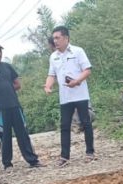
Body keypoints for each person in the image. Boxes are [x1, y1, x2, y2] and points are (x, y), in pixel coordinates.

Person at [0, 42, 43, 170]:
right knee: (5, 136)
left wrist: (8, 90)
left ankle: (32, 160)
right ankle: (7, 163)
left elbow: (17, 84)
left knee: (23, 134)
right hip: (1, 108)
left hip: (15, 105)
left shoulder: (7, 67)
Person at [44, 26, 94, 167]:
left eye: (58, 38)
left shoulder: (78, 51)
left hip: (80, 94)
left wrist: (77, 81)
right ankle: (64, 156)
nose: (55, 41)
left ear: (66, 38)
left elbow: (87, 70)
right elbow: (51, 74)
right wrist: (48, 86)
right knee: (65, 125)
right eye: (54, 38)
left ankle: (90, 152)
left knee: (86, 122)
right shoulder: (53, 56)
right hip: (65, 97)